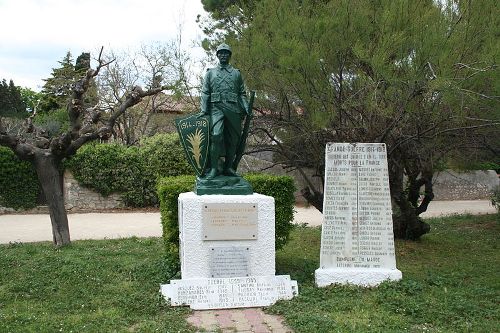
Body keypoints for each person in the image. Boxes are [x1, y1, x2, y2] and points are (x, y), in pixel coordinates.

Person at [199, 43, 250, 179]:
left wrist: (246, 107)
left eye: (226, 53)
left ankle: (228, 167)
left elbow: (241, 93)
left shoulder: (236, 73)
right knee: (216, 135)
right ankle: (214, 169)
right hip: (216, 108)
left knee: (233, 140)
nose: (223, 55)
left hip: (233, 108)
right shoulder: (210, 73)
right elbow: (205, 92)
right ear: (217, 55)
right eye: (220, 53)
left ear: (229, 55)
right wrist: (204, 110)